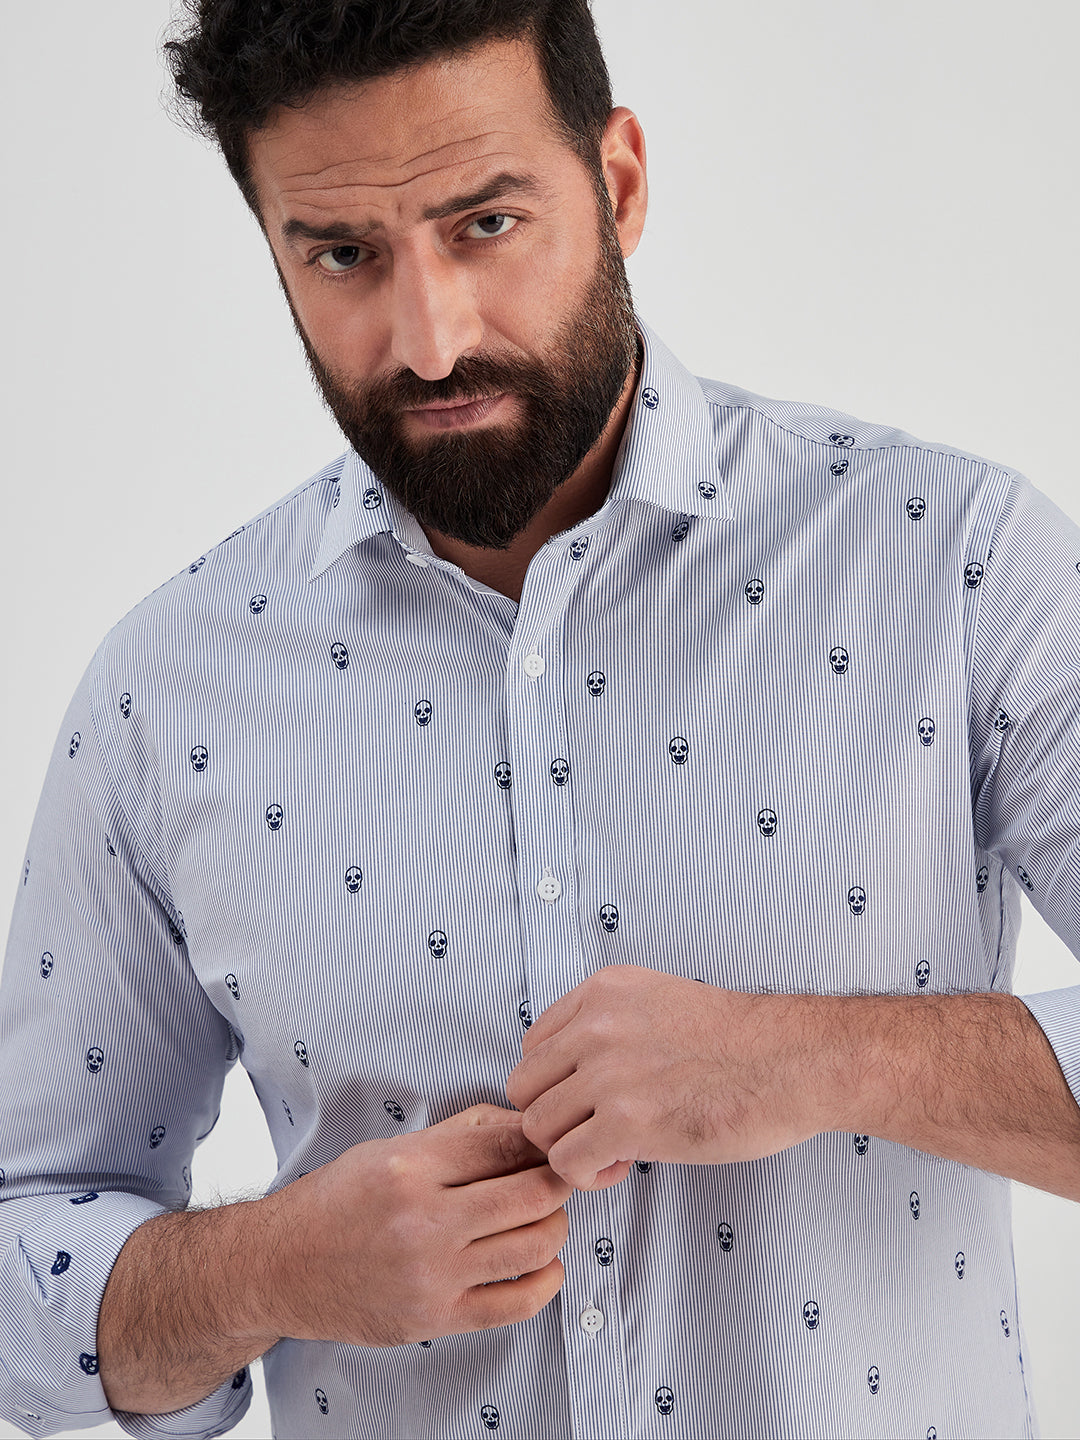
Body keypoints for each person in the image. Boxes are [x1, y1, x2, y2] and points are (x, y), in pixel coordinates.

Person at [2, 1, 1079, 1436]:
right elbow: (24, 1240)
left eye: (488, 224)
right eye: (342, 255)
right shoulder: (167, 691)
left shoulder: (956, 561)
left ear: (618, 184)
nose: (430, 341)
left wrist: (821, 1058)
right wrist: (269, 1269)